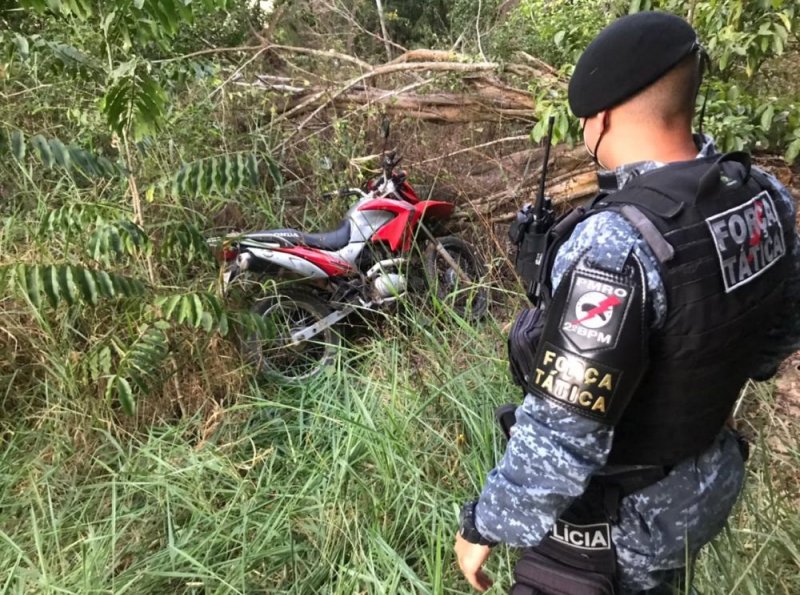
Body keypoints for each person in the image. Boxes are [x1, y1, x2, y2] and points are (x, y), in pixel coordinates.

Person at [454, 11, 800, 595]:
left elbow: (565, 429)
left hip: (621, 521)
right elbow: (777, 337)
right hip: (704, 479)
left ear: (599, 118)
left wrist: (486, 523)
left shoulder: (616, 242)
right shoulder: (761, 195)